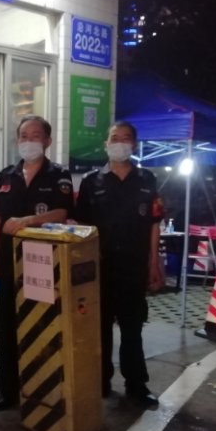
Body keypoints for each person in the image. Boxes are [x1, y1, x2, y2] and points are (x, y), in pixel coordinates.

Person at [0, 115, 74, 412]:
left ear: (48, 141)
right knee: (7, 328)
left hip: (42, 263)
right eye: (23, 135)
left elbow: (62, 213)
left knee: (41, 327)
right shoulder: (6, 176)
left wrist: (29, 220)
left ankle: (41, 389)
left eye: (35, 135)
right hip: (8, 264)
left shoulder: (58, 175)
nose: (28, 141)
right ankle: (8, 391)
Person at [74, 120, 165, 407]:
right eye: (114, 138)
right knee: (98, 328)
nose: (120, 143)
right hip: (99, 268)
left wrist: (154, 263)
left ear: (134, 145)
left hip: (133, 267)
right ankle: (100, 380)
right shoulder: (91, 181)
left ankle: (136, 384)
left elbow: (154, 224)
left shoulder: (147, 179)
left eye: (126, 138)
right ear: (106, 144)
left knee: (132, 329)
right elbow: (81, 227)